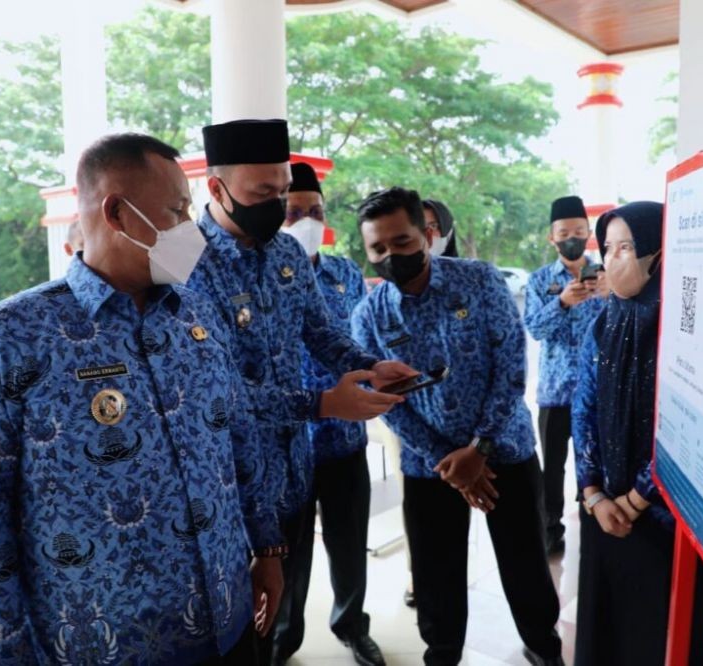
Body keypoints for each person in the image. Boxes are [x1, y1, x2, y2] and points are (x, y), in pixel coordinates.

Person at [0, 134, 285, 664]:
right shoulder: (8, 338)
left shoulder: (195, 314)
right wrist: (1, 653)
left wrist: (268, 548)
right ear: (118, 213)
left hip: (227, 622)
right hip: (99, 646)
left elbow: (238, 436)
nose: (191, 229)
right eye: (177, 210)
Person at [188, 119, 414, 665]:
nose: (277, 203)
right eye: (262, 194)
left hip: (292, 467)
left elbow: (320, 331)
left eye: (282, 190)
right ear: (217, 189)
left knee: (285, 599)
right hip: (228, 483)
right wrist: (320, 403)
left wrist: (369, 365)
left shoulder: (286, 254)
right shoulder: (187, 265)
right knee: (239, 626)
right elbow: (210, 394)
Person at [351, 187, 565, 666]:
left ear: (427, 235)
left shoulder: (481, 282)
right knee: (436, 575)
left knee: (525, 562)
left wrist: (479, 449)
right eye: (377, 248)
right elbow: (386, 401)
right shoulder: (369, 316)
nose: (390, 256)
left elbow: (511, 368)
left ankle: (543, 647)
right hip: (433, 468)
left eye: (401, 242)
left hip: (504, 451)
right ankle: (442, 654)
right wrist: (449, 462)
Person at [571, 201, 703, 665]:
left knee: (666, 637)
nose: (611, 259)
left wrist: (636, 499)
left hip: (666, 519)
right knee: (612, 637)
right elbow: (585, 409)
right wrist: (594, 494)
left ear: (660, 255)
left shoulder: (693, 330)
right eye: (608, 247)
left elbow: (687, 424)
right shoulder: (603, 322)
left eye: (626, 247)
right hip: (606, 518)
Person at [271, 162, 383, 665]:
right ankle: (283, 637)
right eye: (294, 212)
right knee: (289, 556)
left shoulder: (342, 274)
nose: (306, 220)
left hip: (344, 440)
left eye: (315, 211)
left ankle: (352, 626)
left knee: (349, 544)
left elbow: (354, 342)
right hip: (286, 444)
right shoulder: (262, 277)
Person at [523, 195, 608, 555]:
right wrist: (562, 303)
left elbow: (623, 325)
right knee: (552, 468)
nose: (571, 237)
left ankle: (594, 527)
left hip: (597, 391)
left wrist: (611, 294)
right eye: (563, 232)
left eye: (577, 231)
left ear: (588, 234)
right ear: (551, 238)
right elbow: (534, 328)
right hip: (555, 392)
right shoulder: (540, 280)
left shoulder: (608, 275)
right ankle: (549, 531)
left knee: (595, 463)